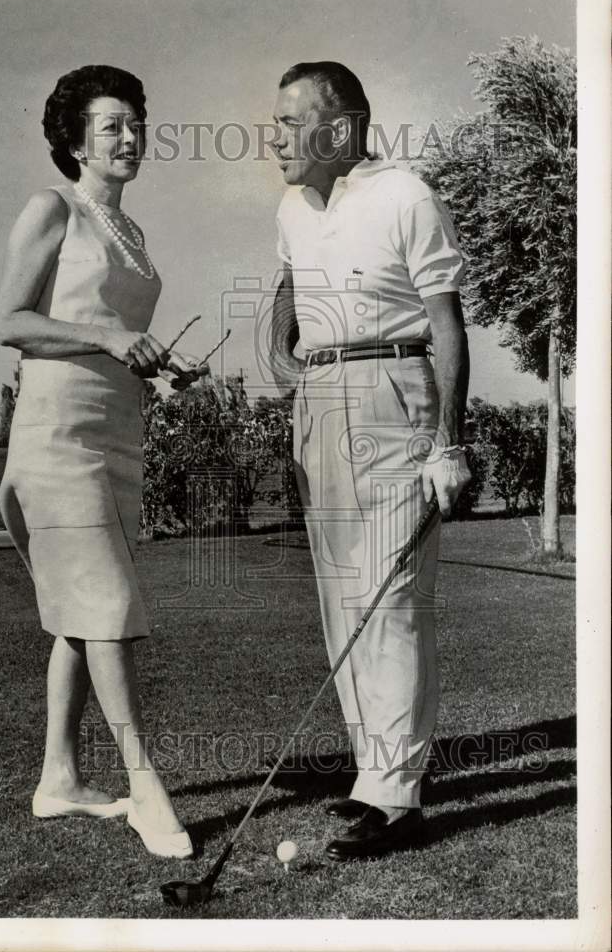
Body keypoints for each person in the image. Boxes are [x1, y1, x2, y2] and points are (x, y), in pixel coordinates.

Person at [0, 65, 202, 859]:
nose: (130, 137)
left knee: (82, 614)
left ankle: (60, 778)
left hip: (118, 432)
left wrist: (158, 364)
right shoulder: (52, 208)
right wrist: (111, 338)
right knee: (106, 604)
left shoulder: (132, 233)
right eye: (113, 125)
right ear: (75, 141)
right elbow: (13, 321)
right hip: (57, 435)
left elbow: (114, 333)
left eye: (136, 123)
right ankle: (146, 787)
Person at [268, 61, 472, 858]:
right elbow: (287, 291)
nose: (275, 138)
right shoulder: (291, 208)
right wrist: (285, 361)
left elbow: (447, 325)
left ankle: (397, 797)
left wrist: (449, 444)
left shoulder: (407, 196)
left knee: (391, 601)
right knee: (343, 601)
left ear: (343, 127)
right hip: (319, 400)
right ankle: (372, 778)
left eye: (290, 123)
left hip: (395, 391)